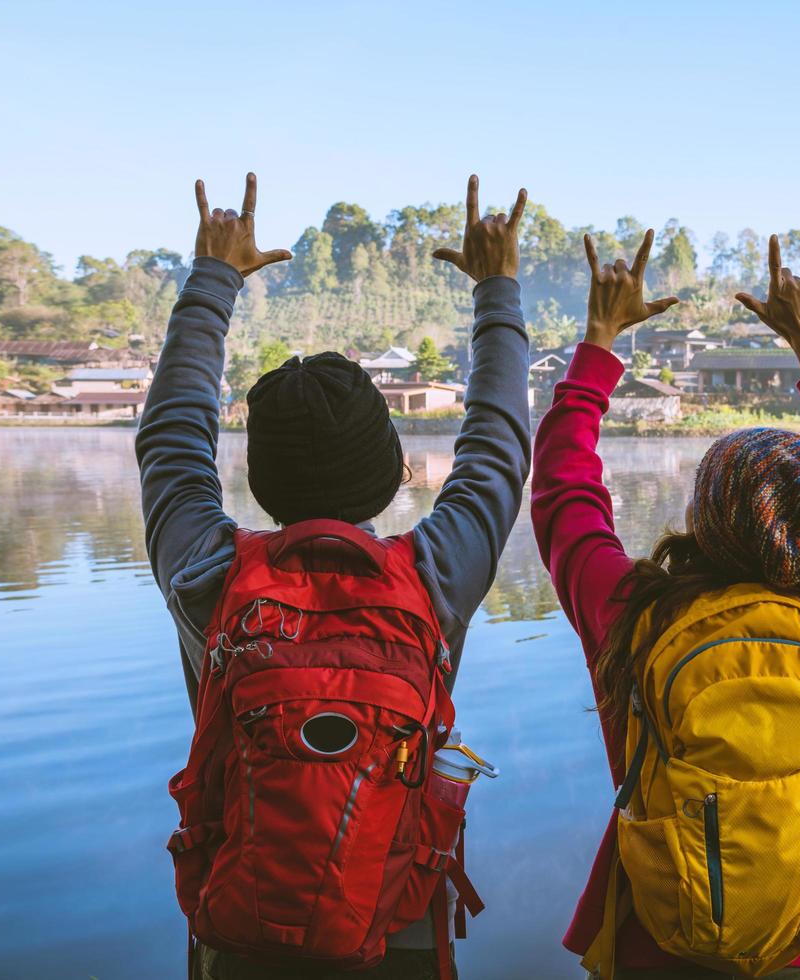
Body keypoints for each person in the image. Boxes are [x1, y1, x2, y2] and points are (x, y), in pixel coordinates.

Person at [137, 173, 532, 980]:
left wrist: (214, 276)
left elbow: (172, 437)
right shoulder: (434, 574)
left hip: (240, 925)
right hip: (397, 927)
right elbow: (497, 441)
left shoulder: (210, 575)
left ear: (263, 481)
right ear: (390, 477)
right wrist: (497, 290)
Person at [530, 232, 800, 979]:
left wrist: (600, 341)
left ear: (703, 519)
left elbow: (564, 489)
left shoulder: (632, 612)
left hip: (653, 943)